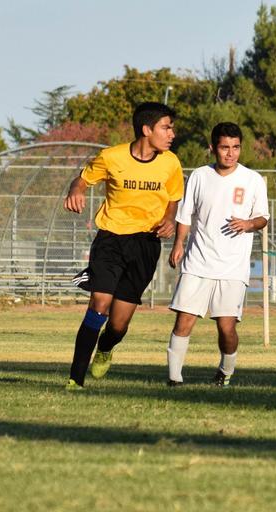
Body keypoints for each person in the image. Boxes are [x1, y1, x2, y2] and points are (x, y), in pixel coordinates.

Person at [62, 102, 184, 390]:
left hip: (146, 244)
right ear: (147, 129)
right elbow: (83, 179)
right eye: (166, 128)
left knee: (118, 324)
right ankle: (75, 378)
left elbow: (173, 198)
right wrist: (76, 190)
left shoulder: (171, 163)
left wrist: (169, 219)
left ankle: (106, 347)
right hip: (111, 239)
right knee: (99, 304)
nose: (172, 134)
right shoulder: (111, 157)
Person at [166, 122, 269, 387]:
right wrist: (178, 244)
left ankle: (225, 370)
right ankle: (174, 379)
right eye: (225, 147)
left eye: (235, 147)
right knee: (184, 320)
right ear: (213, 148)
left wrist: (248, 224)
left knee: (226, 327)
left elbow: (263, 218)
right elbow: (185, 215)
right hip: (198, 262)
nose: (230, 153)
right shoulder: (199, 176)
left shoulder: (253, 180)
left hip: (232, 268)